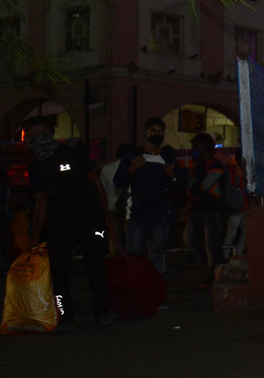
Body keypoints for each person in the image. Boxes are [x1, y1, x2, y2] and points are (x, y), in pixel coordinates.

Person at [24, 117, 110, 329]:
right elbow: (41, 203)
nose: (34, 140)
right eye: (30, 136)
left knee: (96, 266)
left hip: (89, 217)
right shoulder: (35, 166)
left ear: (48, 133)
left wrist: (107, 218)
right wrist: (34, 240)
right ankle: (64, 315)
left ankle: (102, 313)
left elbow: (96, 183)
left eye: (38, 134)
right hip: (62, 221)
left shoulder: (72, 153)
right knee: (58, 272)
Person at [114, 117, 177, 276]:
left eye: (160, 131)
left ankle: (156, 292)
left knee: (157, 254)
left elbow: (179, 187)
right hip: (137, 213)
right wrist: (132, 169)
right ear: (146, 133)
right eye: (153, 131)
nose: (157, 134)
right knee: (134, 254)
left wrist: (173, 177)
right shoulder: (133, 156)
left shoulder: (168, 158)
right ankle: (134, 290)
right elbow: (118, 182)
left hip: (160, 214)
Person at [184, 132, 228, 285]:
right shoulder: (198, 166)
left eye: (196, 147)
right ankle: (212, 269)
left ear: (204, 148)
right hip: (199, 209)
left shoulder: (216, 165)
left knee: (213, 245)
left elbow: (201, 186)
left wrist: (196, 188)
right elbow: (191, 189)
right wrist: (196, 188)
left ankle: (216, 274)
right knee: (189, 239)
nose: (193, 150)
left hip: (214, 210)